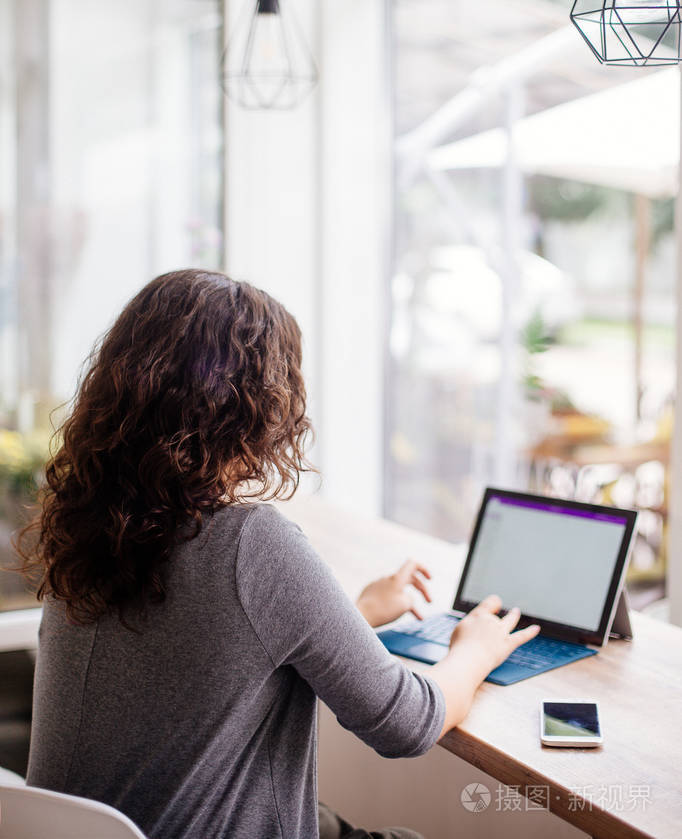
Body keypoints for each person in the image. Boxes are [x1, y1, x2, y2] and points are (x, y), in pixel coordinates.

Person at [20, 270, 539, 839]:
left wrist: (351, 615)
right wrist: (475, 651)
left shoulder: (87, 525)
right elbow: (406, 726)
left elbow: (202, 658)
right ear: (257, 410)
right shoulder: (250, 545)